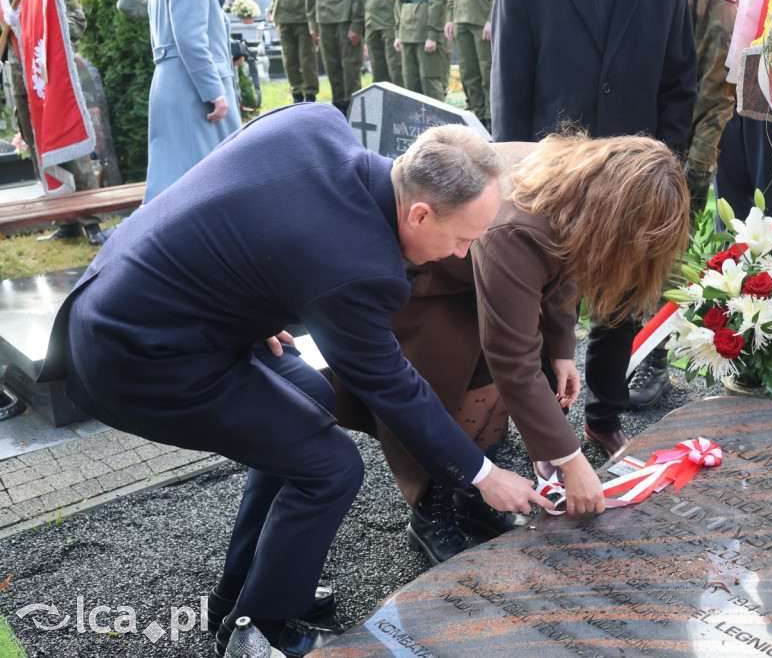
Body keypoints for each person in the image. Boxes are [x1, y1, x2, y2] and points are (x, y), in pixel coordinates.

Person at [36, 104, 552, 656]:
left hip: (146, 304)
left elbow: (240, 206)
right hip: (141, 355)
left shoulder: (313, 123)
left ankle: (241, 592)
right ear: (421, 215)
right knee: (330, 466)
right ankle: (260, 630)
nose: (463, 254)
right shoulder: (358, 267)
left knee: (308, 396)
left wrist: (246, 302)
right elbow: (394, 389)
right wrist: (480, 473)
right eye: (462, 239)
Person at [334, 133, 690, 564]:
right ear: (612, 209)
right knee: (451, 379)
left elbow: (566, 263)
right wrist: (572, 461)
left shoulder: (577, 191)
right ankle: (432, 511)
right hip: (426, 286)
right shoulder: (518, 224)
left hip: (477, 273)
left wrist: (560, 348)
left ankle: (475, 499)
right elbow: (513, 358)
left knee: (489, 385)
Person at [491, 0, 697, 461]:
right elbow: (511, 79)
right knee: (541, 298)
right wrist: (514, 170)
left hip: (634, 174)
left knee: (622, 299)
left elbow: (679, 80)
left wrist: (662, 161)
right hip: (553, 169)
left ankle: (604, 417)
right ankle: (547, 432)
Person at [628, 0, 739, 410]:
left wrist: (697, 161)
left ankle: (654, 357)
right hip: (633, 139)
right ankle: (624, 346)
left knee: (665, 258)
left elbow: (718, 82)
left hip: (679, 148)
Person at [12, 0, 108, 246]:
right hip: (21, 79)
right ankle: (64, 221)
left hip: (50, 74)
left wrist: (37, 30)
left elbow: (77, 21)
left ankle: (92, 222)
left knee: (69, 144)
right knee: (37, 147)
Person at [143, 0, 242, 204]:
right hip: (192, 89)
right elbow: (189, 39)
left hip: (175, 81)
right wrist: (214, 91)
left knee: (174, 184)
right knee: (211, 186)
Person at [308, 0, 365, 114]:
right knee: (330, 64)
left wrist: (356, 24)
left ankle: (353, 106)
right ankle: (338, 104)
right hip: (323, 14)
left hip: (346, 15)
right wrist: (312, 23)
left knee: (350, 65)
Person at [444, 0, 495, 130]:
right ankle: (478, 118)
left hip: (482, 13)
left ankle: (492, 119)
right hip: (460, 13)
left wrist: (492, 17)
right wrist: (450, 17)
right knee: (468, 72)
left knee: (487, 71)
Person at [394, 0, 451, 101]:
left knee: (430, 81)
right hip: (407, 32)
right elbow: (400, 0)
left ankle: (439, 119)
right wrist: (398, 33)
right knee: (410, 82)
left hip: (425, 31)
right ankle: (414, 119)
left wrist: (432, 34)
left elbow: (438, 2)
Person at [270, 0, 319, 103]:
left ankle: (310, 94)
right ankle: (296, 93)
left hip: (303, 10)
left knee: (306, 57)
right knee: (289, 57)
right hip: (282, 11)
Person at [364, 0, 403, 85]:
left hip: (389, 14)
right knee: (376, 65)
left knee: (395, 65)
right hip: (370, 16)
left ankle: (399, 98)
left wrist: (399, 20)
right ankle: (381, 98)